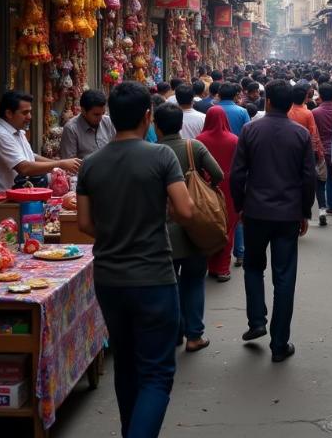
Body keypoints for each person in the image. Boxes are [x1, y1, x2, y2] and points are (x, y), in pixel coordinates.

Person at [76, 82, 194, 438]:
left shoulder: (91, 164)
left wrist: (116, 235)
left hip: (110, 279)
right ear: (148, 117)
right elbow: (186, 210)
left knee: (125, 366)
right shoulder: (161, 156)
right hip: (154, 277)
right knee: (157, 373)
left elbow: (83, 223)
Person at [230, 80, 317, 363]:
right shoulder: (300, 134)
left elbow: (238, 174)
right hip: (287, 215)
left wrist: (240, 205)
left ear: (267, 101)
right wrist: (305, 211)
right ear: (290, 103)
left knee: (254, 267)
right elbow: (308, 178)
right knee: (285, 276)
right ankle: (280, 343)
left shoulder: (250, 130)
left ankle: (257, 320)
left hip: (255, 212)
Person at [154, 103, 223, 351]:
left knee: (168, 283)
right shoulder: (194, 147)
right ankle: (195, 335)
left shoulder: (152, 152)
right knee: (194, 280)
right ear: (180, 125)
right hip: (194, 226)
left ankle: (173, 334)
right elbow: (218, 175)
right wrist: (201, 188)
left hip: (163, 230)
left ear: (156, 126)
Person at [0, 91, 80, 190]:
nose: (29, 117)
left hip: (20, 194)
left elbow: (31, 156)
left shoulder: (17, 130)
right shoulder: (0, 134)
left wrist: (61, 166)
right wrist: (60, 164)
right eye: (25, 113)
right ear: (9, 113)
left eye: (30, 112)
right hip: (3, 199)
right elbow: (24, 168)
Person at [198, 106, 240, 282]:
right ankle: (222, 268)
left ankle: (209, 265)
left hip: (206, 187)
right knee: (227, 227)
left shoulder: (199, 139)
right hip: (228, 188)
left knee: (208, 225)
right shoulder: (234, 140)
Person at [289, 84, 326, 225]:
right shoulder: (307, 113)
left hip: (289, 153)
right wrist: (318, 153)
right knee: (308, 182)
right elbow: (313, 134)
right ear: (305, 97)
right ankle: (308, 211)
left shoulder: (287, 111)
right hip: (304, 152)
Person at [312, 83, 332, 216]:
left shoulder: (315, 113)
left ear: (320, 96)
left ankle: (330, 205)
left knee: (328, 178)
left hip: (323, 150)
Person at [59, 89, 115, 160]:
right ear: (83, 111)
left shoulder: (108, 122)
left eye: (103, 113)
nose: (100, 118)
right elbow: (69, 164)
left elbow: (117, 148)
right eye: (96, 114)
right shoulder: (71, 129)